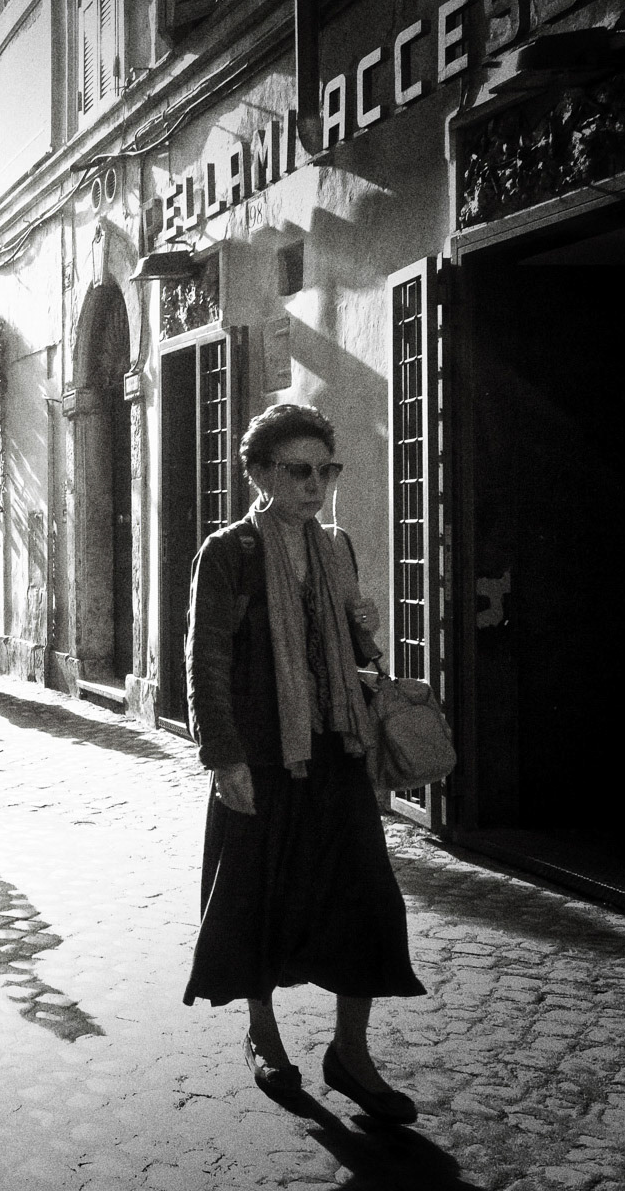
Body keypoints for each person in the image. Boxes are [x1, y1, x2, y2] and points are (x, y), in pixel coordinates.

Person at [183, 402, 424, 1124]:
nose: (315, 485)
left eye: (326, 470)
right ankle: (263, 1035)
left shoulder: (337, 547)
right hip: (262, 756)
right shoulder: (229, 553)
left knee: (368, 901)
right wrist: (224, 757)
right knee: (257, 900)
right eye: (298, 471)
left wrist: (362, 629)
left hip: (335, 751)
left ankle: (350, 1052)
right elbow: (207, 659)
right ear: (259, 475)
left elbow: (346, 653)